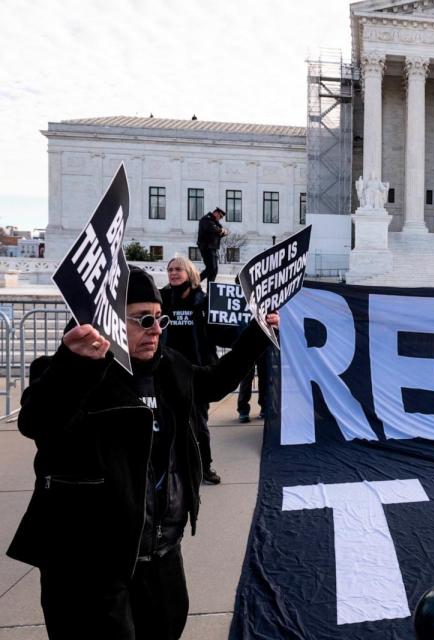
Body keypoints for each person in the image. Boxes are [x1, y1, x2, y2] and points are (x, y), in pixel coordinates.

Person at [7, 267, 278, 639]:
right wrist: (74, 365)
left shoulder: (169, 366)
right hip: (88, 565)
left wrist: (257, 335)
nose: (156, 328)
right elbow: (36, 422)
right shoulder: (67, 372)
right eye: (144, 318)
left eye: (160, 317)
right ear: (107, 322)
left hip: (161, 552)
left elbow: (213, 384)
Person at [161, 256, 220, 484]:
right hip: (167, 370)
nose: (173, 273)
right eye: (170, 270)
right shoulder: (162, 298)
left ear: (190, 273)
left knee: (200, 424)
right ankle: (170, 469)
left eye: (178, 269)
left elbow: (220, 329)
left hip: (197, 371)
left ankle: (204, 467)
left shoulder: (203, 301)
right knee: (168, 423)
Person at [197, 207, 228, 284]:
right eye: (219, 216)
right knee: (211, 268)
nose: (220, 218)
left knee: (214, 270)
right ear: (215, 213)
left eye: (221, 217)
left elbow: (221, 231)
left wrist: (221, 231)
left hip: (213, 248)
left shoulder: (215, 222)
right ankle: (194, 283)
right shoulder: (206, 219)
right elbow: (211, 228)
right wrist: (221, 231)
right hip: (206, 247)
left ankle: (210, 291)